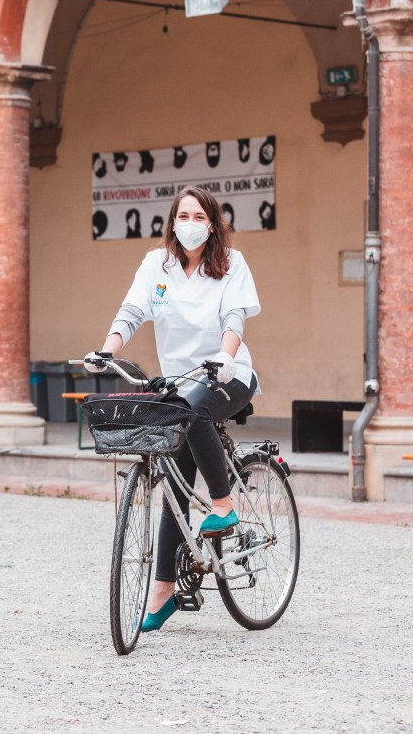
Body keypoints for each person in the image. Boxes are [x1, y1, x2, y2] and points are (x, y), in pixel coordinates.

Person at [86, 185, 261, 634]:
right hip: (180, 385)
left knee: (195, 410)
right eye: (183, 215)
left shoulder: (231, 264)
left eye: (199, 216)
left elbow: (235, 318)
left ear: (212, 223)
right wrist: (107, 351)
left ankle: (223, 504)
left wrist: (225, 354)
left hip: (228, 375)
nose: (190, 224)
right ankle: (162, 594)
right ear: (172, 221)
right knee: (173, 495)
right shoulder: (156, 264)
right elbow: (132, 311)